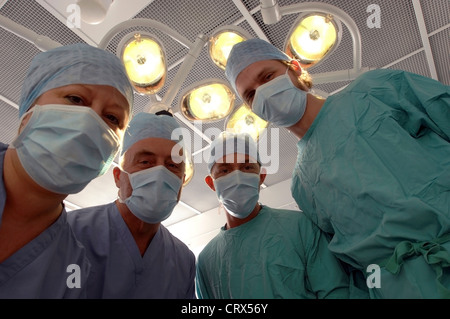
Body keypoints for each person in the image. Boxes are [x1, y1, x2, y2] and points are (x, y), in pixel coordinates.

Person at [225, 38, 450, 299]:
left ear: (295, 69)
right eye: (251, 95)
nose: (262, 92)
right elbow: (349, 267)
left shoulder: (373, 90)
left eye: (267, 76)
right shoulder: (301, 184)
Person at [0, 43, 134, 298]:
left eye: (112, 118)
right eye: (75, 99)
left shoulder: (72, 271)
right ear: (29, 109)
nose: (89, 122)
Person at [195, 131, 351, 299]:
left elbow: (336, 293)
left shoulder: (301, 228)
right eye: (225, 170)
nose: (237, 177)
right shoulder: (206, 260)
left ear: (261, 177)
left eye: (247, 167)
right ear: (211, 183)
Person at [67, 111, 196, 299]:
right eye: (145, 162)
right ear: (118, 177)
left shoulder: (183, 260)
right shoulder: (70, 231)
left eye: (172, 166)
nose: (160, 172)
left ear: (181, 183)